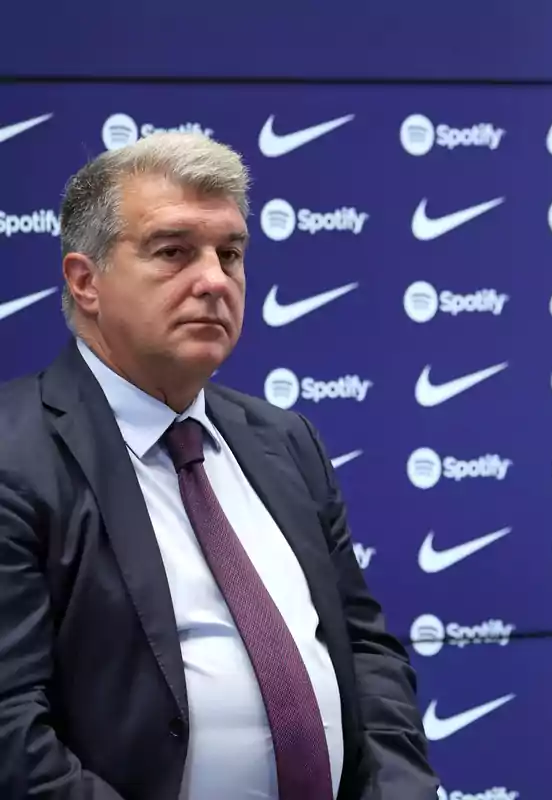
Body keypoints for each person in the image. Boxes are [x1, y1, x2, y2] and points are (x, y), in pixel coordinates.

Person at [0, 132, 440, 799]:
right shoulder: (15, 454)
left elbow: (366, 652)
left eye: (229, 253)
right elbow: (12, 730)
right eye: (173, 251)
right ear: (85, 282)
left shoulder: (285, 440)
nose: (213, 279)